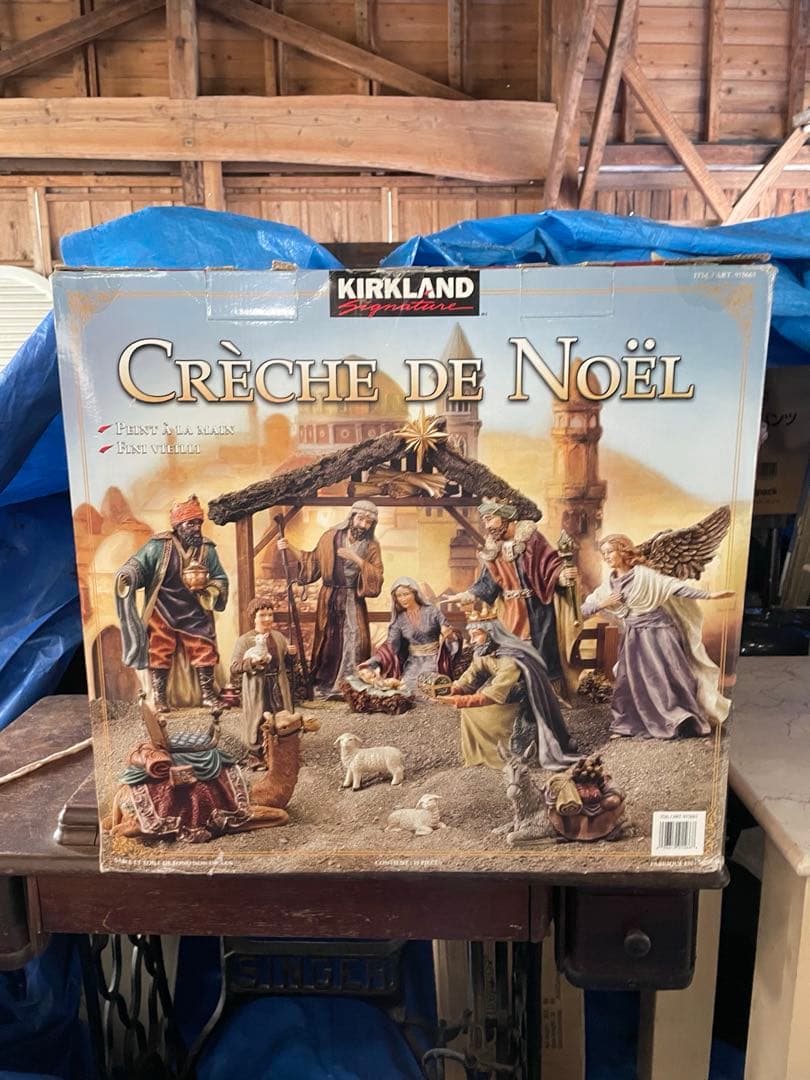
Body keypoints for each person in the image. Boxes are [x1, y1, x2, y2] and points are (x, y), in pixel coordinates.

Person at [581, 534, 734, 739]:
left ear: (623, 551)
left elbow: (674, 586)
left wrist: (709, 596)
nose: (606, 557)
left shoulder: (645, 576)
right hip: (634, 637)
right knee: (630, 680)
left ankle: (675, 720)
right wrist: (603, 603)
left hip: (659, 634)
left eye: (610, 551)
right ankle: (629, 723)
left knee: (665, 677)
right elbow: (584, 609)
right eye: (603, 553)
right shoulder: (607, 586)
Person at [444, 500, 576, 687]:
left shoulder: (532, 540)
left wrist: (562, 576)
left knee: (540, 654)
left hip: (536, 610)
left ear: (506, 517)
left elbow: (549, 565)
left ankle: (544, 694)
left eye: (490, 519)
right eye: (485, 521)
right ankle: (512, 690)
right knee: (508, 653)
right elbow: (487, 583)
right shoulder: (494, 549)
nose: (487, 526)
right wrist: (466, 595)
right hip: (509, 612)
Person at [116, 494, 228, 712]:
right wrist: (129, 575)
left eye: (198, 523)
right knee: (159, 648)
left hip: (195, 609)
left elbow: (220, 577)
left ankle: (208, 695)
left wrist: (211, 589)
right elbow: (139, 566)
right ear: (178, 526)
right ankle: (160, 698)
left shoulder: (207, 549)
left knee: (204, 646)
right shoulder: (159, 546)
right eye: (190, 523)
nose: (196, 528)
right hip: (163, 606)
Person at [445, 613, 578, 771]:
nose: (472, 640)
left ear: (491, 634)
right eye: (471, 635)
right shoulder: (482, 652)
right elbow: (472, 676)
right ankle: (481, 755)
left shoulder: (510, 658)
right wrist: (452, 690)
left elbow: (495, 692)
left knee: (478, 710)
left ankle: (511, 756)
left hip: (526, 699)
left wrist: (461, 701)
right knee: (468, 711)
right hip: (504, 693)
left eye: (476, 635)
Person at [277, 499, 383, 695]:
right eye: (360, 519)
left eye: (368, 522)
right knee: (328, 640)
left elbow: (376, 575)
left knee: (355, 640)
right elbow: (312, 561)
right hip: (329, 598)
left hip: (353, 599)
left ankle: (351, 685)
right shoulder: (330, 537)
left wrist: (357, 560)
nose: (363, 525)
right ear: (352, 517)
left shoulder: (372, 546)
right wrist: (289, 547)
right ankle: (327, 685)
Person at [365, 576, 458, 693]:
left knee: (425, 684)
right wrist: (374, 660)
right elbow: (391, 645)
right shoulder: (399, 619)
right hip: (413, 661)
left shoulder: (432, 611)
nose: (402, 599)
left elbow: (449, 632)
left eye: (406, 594)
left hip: (434, 659)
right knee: (406, 687)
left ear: (415, 593)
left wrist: (448, 634)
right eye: (399, 596)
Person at [230, 597, 294, 751]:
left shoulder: (278, 637)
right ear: (254, 617)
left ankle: (280, 749)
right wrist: (251, 662)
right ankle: (258, 751)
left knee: (281, 715)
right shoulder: (245, 640)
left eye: (270, 615)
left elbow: (287, 665)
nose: (267, 619)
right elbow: (234, 667)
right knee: (259, 718)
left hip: (278, 685)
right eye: (262, 615)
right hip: (257, 687)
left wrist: (291, 655)